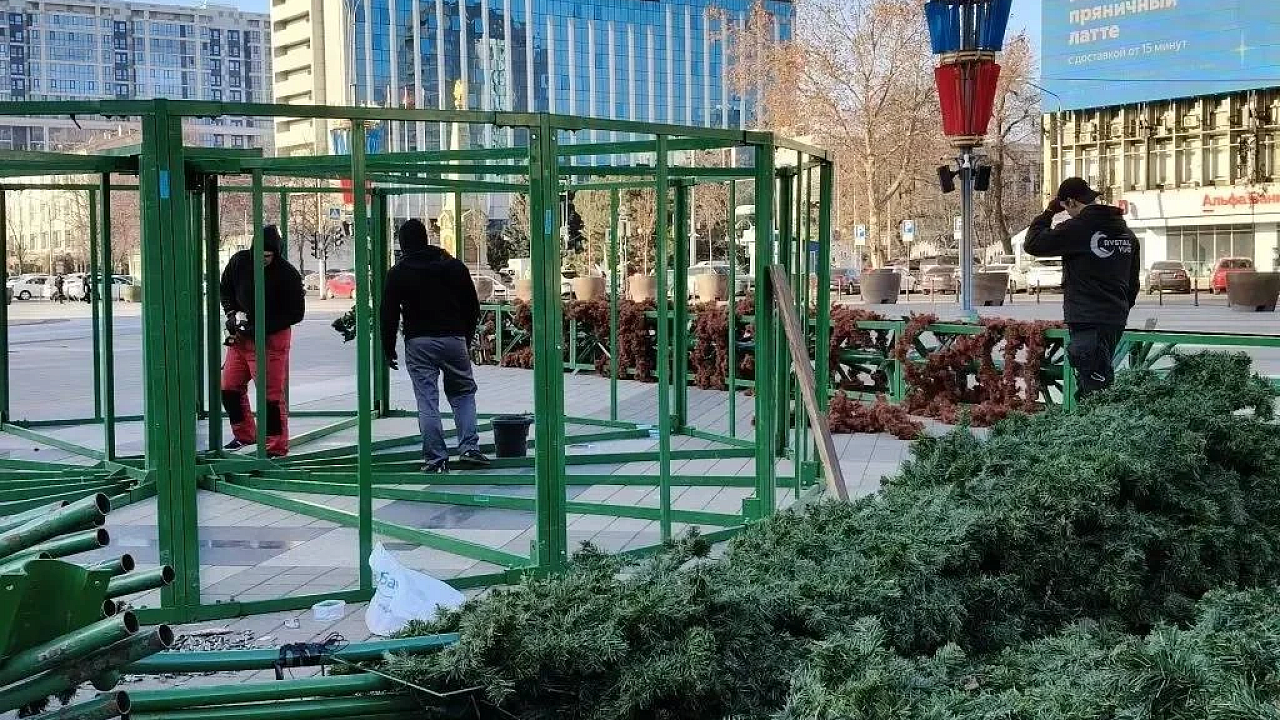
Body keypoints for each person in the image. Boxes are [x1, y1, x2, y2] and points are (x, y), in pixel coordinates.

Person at [381, 218, 488, 474]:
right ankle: (469, 448)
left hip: (419, 342)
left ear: (402, 244)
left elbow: (389, 314)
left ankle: (436, 459)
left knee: (427, 400)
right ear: (426, 239)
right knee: (463, 394)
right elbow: (471, 306)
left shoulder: (398, 273)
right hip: (453, 339)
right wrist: (466, 336)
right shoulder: (453, 266)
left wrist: (388, 348)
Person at [1024, 177, 1140, 399]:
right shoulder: (1125, 232)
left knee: (1095, 390)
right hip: (1114, 319)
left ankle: (1096, 431)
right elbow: (1133, 281)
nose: (1067, 213)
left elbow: (1033, 244)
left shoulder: (1078, 229)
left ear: (1070, 202)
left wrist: (1048, 213)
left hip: (1087, 318)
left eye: (1066, 208)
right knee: (1096, 379)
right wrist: (1121, 307)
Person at [219, 225, 305, 457]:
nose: (263, 260)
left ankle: (275, 447)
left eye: (267, 256)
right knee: (228, 387)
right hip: (242, 338)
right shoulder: (239, 262)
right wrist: (232, 314)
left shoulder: (287, 274)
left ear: (275, 253)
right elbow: (225, 289)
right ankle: (245, 435)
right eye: (259, 255)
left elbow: (296, 313)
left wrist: (262, 326)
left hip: (270, 339)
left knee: (270, 396)